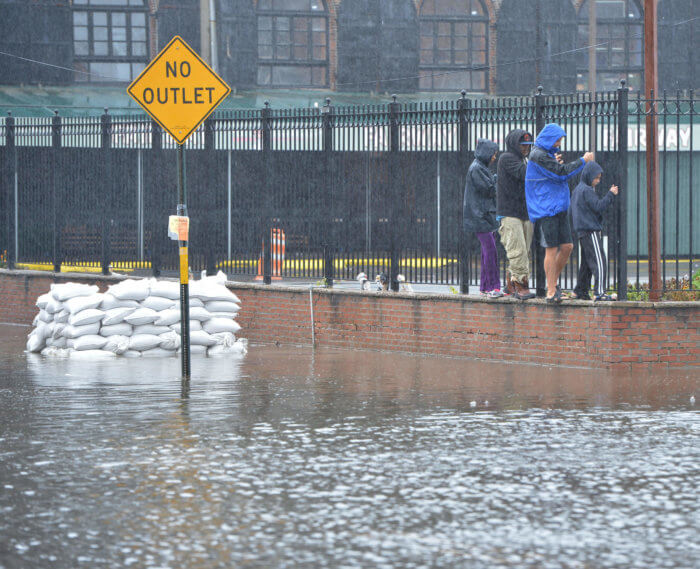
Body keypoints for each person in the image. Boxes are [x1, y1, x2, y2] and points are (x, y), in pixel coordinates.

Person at [525, 123, 594, 303]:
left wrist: (557, 163)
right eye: (557, 140)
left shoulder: (545, 154)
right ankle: (550, 290)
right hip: (547, 208)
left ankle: (553, 284)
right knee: (551, 248)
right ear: (549, 138)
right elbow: (561, 174)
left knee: (567, 246)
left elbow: (555, 171)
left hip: (558, 206)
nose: (559, 144)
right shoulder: (538, 155)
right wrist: (583, 160)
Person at [571, 161, 619, 301]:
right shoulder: (586, 190)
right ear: (589, 175)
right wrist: (610, 194)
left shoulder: (577, 190)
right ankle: (599, 293)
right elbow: (598, 206)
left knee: (586, 264)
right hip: (590, 230)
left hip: (581, 230)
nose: (597, 181)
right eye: (596, 178)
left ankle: (580, 290)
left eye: (599, 178)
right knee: (600, 261)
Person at [497, 129, 535, 300]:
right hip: (510, 213)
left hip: (525, 212)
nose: (526, 148)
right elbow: (524, 174)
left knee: (524, 251)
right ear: (514, 144)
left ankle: (512, 283)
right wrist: (542, 164)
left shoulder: (524, 160)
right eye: (522, 144)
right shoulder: (507, 158)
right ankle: (520, 285)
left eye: (528, 145)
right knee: (517, 250)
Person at [463, 138, 502, 298]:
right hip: (480, 217)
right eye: (494, 154)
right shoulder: (477, 168)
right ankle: (494, 287)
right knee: (491, 252)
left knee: (487, 253)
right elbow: (489, 189)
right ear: (487, 153)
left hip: (482, 216)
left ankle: (485, 287)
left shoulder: (479, 167)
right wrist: (500, 178)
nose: (495, 157)